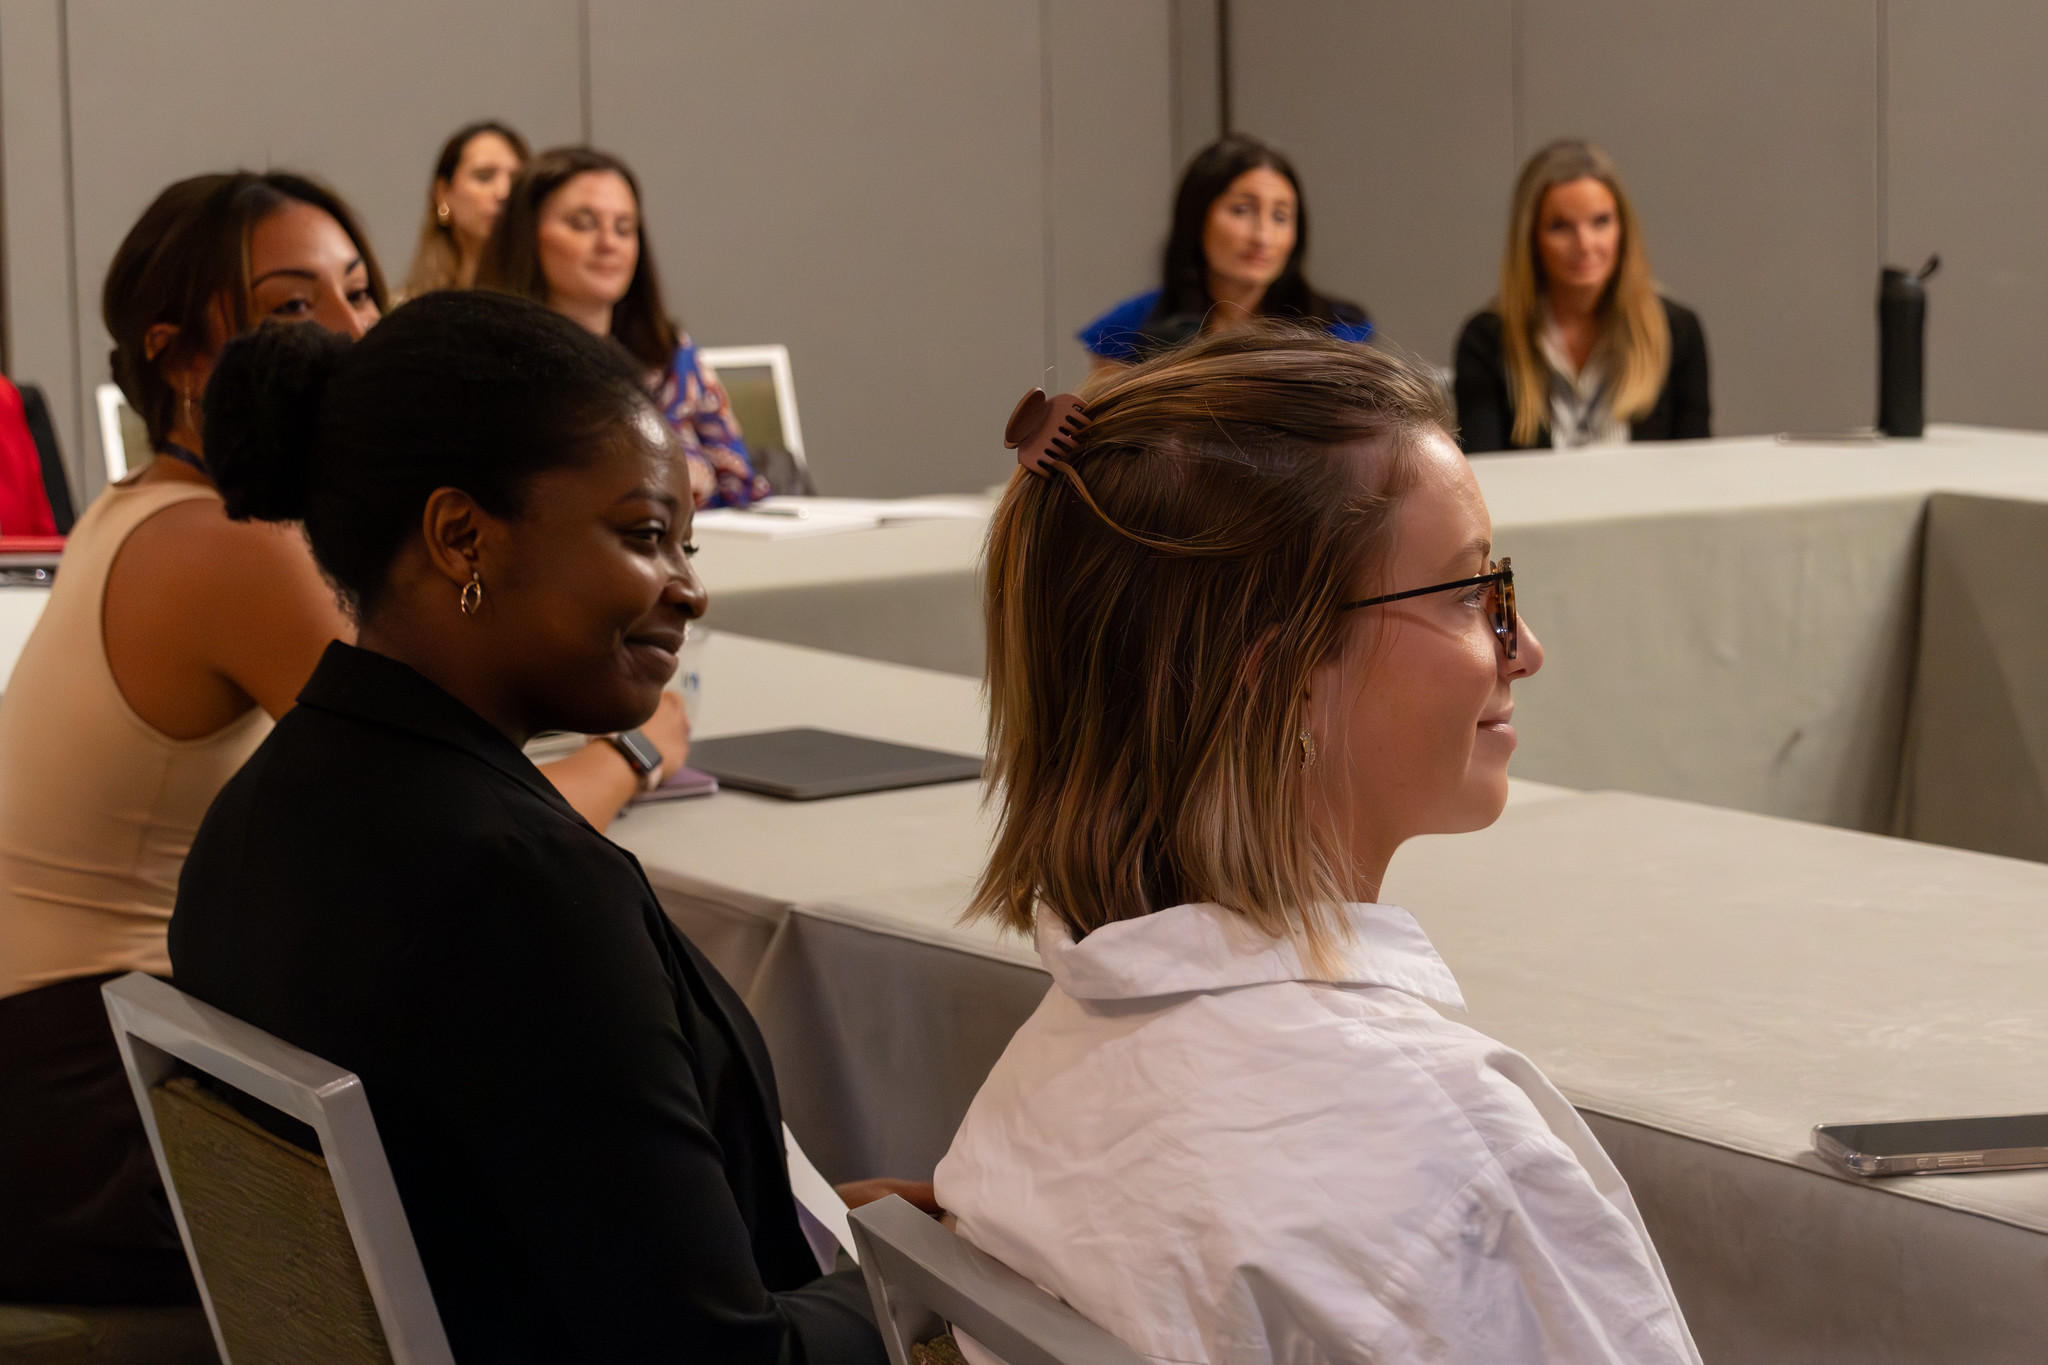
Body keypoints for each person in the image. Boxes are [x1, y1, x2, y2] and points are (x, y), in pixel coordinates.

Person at [171, 291, 914, 1362]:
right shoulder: (520, 889)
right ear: (461, 536)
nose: (690, 590)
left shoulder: (260, 811)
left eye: (687, 545)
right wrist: (917, 1277)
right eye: (645, 536)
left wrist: (815, 1226)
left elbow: (505, 1212)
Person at [936, 326, 1702, 1364]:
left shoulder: (1046, 1070)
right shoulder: (1454, 1160)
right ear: (1285, 678)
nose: (1522, 646)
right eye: (1467, 593)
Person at [0, 171, 676, 1308]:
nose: (355, 332)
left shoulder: (141, 504)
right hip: (94, 1110)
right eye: (294, 308)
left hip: (80, 1071)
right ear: (177, 355)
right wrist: (639, 748)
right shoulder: (237, 545)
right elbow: (473, 824)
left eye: (360, 291)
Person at [478, 146, 768, 508]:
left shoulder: (671, 354)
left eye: (624, 228)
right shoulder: (492, 364)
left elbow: (744, 484)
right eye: (583, 224)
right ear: (526, 234)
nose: (608, 243)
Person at [1454, 139, 1709, 453]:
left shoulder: (1677, 330)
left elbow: (1696, 466)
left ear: (1622, 229)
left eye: (1601, 222)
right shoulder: (1488, 339)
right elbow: (1483, 471)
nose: (1585, 244)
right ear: (1530, 238)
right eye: (1560, 226)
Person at [1078, 134, 1370, 371]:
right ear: (1196, 217)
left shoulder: (1337, 330)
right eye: (1241, 210)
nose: (1263, 237)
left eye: (1280, 217)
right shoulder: (1129, 329)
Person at [401, 119, 530, 297]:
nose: (503, 192)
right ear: (443, 193)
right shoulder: (404, 307)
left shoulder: (552, 306)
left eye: (516, 180)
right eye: (484, 176)